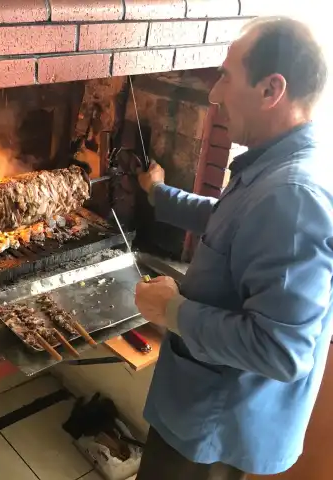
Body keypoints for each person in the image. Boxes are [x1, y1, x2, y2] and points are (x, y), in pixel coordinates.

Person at [134, 16, 332, 480]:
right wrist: (161, 195)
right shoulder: (278, 166)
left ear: (271, 90)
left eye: (225, 75)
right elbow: (233, 221)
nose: (214, 94)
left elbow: (282, 351)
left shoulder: (294, 196)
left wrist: (172, 311)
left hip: (215, 428)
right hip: (208, 406)